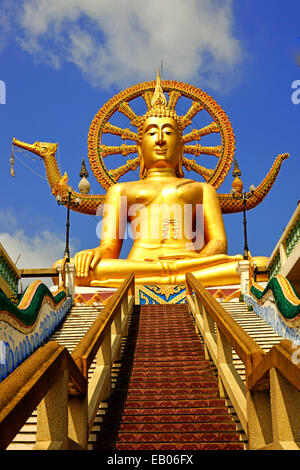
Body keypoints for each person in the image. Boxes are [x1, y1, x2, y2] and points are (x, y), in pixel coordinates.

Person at [72, 74, 267, 287]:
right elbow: (109, 249)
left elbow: (219, 243)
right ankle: (175, 277)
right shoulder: (120, 191)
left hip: (188, 262)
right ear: (139, 148)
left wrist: (200, 258)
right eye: (152, 132)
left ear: (181, 147)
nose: (160, 139)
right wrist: (91, 255)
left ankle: (168, 276)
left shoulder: (202, 189)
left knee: (259, 264)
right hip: (140, 264)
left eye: (168, 132)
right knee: (72, 269)